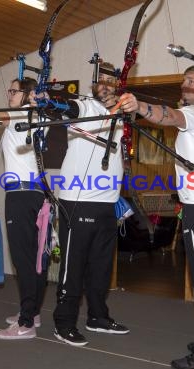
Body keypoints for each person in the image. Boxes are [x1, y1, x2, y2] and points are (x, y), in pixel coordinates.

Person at [118, 65, 194, 369]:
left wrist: (139, 106)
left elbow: (170, 116)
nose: (184, 85)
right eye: (184, 81)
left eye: (191, 81)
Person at [47, 62, 129, 347]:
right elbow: (66, 108)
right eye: (101, 80)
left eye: (112, 80)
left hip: (107, 201)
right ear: (94, 84)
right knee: (74, 265)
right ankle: (64, 322)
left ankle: (98, 317)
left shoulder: (121, 111)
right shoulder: (84, 106)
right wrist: (49, 100)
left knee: (101, 266)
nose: (106, 84)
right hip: (77, 200)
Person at [0, 77, 50, 340]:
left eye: (13, 90)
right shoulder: (35, 117)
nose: (9, 93)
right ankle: (32, 312)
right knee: (35, 257)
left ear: (27, 94)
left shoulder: (21, 113)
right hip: (35, 194)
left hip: (20, 195)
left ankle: (26, 323)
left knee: (24, 260)